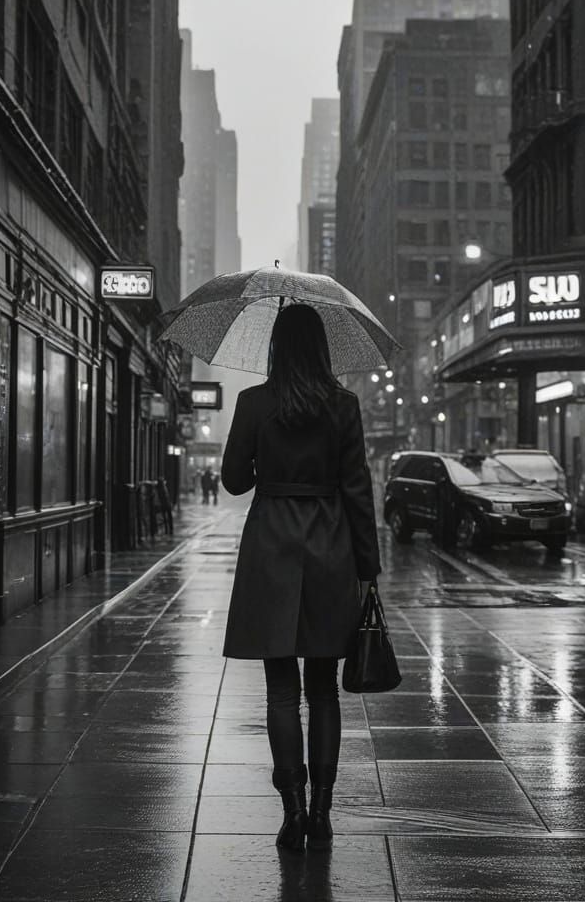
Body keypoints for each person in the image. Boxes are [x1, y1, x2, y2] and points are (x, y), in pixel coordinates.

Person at [221, 304, 382, 852]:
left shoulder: (253, 403)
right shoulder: (343, 406)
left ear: (274, 348)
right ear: (322, 348)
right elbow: (358, 490)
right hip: (330, 547)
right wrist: (369, 568)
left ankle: (291, 811)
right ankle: (322, 811)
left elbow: (233, 481)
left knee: (280, 690)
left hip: (270, 546)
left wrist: (266, 463)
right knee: (324, 690)